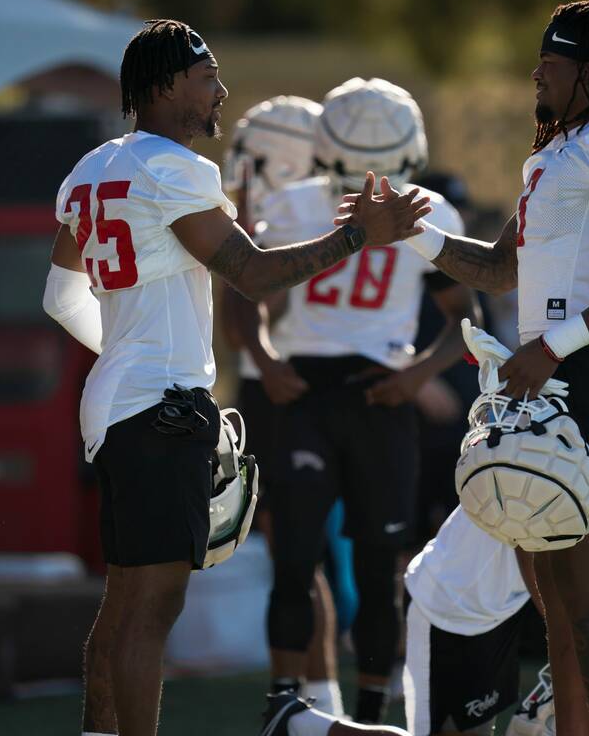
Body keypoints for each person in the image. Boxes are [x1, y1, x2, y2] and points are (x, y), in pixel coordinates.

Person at [41, 20, 429, 736]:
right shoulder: (178, 169)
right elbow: (251, 273)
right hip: (159, 407)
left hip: (116, 405)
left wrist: (126, 352)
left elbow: (59, 296)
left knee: (123, 603)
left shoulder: (92, 167)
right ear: (163, 88)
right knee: (150, 609)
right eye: (205, 77)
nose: (220, 90)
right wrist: (355, 236)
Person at [366, 0, 589, 736]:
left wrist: (553, 349)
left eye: (554, 62)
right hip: (551, 371)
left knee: (583, 585)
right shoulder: (555, 156)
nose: (537, 71)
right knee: (551, 583)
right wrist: (410, 236)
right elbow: (501, 270)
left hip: (586, 370)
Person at [256, 77, 478, 725]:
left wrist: (417, 374)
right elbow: (246, 298)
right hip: (307, 391)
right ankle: (283, 707)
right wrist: (266, 357)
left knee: (382, 571)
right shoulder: (293, 207)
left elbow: (466, 316)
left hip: (381, 396)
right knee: (294, 558)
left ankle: (374, 713)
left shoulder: (425, 211)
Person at [401, 341, 589, 735]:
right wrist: (576, 628)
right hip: (461, 605)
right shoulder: (562, 438)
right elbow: (527, 545)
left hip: (533, 606)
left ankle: (549, 710)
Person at [220, 96, 349, 715]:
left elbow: (263, 308)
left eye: (251, 152)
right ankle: (317, 701)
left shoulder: (293, 220)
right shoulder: (298, 215)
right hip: (268, 390)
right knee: (292, 558)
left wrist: (242, 235)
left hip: (280, 393)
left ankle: (313, 702)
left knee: (295, 558)